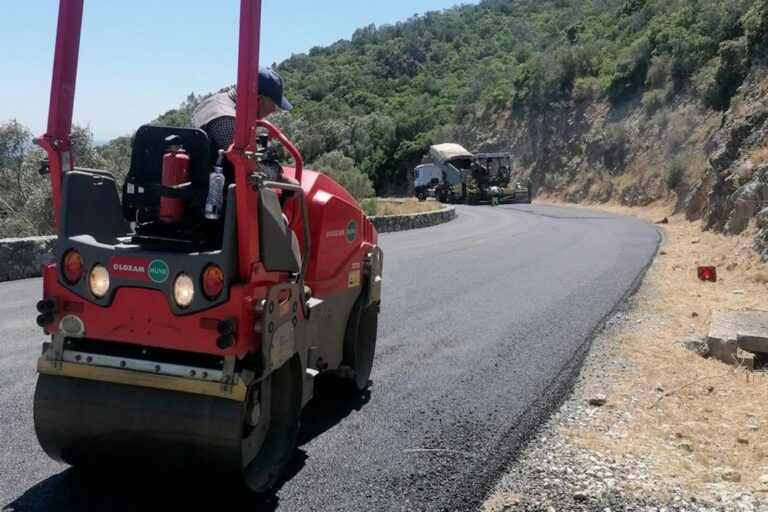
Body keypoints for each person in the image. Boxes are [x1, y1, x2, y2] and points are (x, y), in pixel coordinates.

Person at [191, 66, 297, 185]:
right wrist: (281, 178)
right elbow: (251, 170)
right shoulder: (228, 121)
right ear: (259, 99)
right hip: (216, 194)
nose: (273, 110)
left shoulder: (212, 102)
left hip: (198, 182)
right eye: (273, 103)